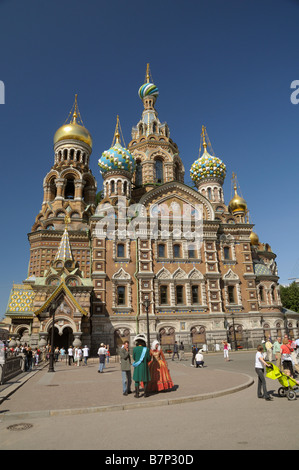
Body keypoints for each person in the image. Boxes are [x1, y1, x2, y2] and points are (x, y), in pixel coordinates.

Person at [132, 334, 151, 398]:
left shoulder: (135, 349)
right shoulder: (146, 349)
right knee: (145, 380)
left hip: (137, 367)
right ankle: (145, 394)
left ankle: (137, 394)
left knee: (137, 380)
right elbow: (149, 359)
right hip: (144, 366)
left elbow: (134, 358)